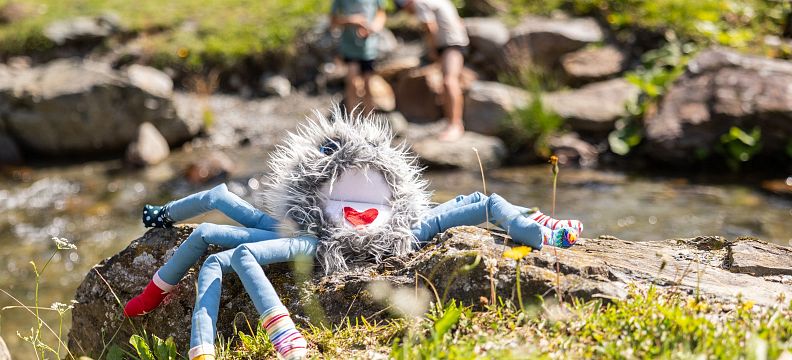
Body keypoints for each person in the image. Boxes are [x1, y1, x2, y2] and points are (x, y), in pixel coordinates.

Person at [122, 108, 582, 360]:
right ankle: (215, 342)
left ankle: (544, 229)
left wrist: (534, 223)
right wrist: (166, 217)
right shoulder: (301, 225)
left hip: (382, 232)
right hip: (317, 236)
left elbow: (484, 205)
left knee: (478, 202)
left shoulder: (405, 218)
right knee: (218, 243)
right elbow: (219, 217)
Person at [396, 0, 469, 141]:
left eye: (405, 9)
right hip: (453, 41)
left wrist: (432, 49)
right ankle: (452, 122)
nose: (408, 13)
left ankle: (455, 125)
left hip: (451, 43)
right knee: (447, 83)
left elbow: (430, 28)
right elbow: (458, 21)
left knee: (449, 82)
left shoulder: (420, 4)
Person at [330, 0, 387, 113]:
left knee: (368, 85)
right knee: (352, 83)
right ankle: (351, 121)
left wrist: (374, 27)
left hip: (369, 48)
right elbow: (333, 20)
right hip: (350, 48)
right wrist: (351, 21)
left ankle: (369, 120)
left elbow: (381, 14)